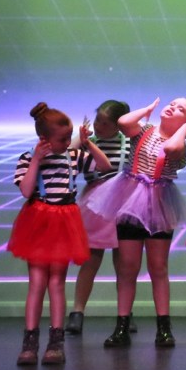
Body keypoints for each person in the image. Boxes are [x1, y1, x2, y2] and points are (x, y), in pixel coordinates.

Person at [85, 96, 186, 349]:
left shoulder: (180, 144)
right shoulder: (143, 130)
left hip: (159, 204)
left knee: (158, 267)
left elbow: (172, 149)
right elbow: (123, 122)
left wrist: (185, 130)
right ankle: (122, 325)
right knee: (127, 267)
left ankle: (163, 327)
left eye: (181, 109)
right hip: (130, 200)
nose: (173, 107)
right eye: (172, 103)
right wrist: (147, 110)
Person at [8, 103, 111, 366]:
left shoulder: (73, 156)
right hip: (38, 220)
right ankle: (30, 342)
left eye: (69, 138)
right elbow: (26, 190)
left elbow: (105, 165)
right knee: (36, 282)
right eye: (62, 139)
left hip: (65, 220)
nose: (67, 143)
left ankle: (56, 342)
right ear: (44, 139)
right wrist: (36, 160)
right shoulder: (28, 158)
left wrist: (88, 144)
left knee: (56, 282)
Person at [66, 100, 131, 336]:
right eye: (97, 121)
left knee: (124, 264)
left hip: (123, 202)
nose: (99, 127)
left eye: (106, 123)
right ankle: (77, 312)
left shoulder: (128, 143)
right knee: (90, 260)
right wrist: (81, 138)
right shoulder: (88, 143)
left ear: (118, 125)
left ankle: (125, 313)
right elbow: (66, 156)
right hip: (95, 204)